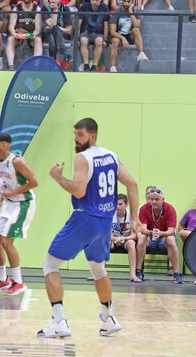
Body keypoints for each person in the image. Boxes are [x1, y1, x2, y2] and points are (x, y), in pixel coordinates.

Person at [37, 118, 139, 338]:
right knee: (98, 269)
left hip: (85, 218)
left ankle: (59, 322)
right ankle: (109, 318)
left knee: (50, 265)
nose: (76, 138)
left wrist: (58, 177)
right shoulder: (111, 155)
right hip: (105, 222)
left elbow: (79, 191)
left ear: (93, 135)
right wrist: (135, 218)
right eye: (75, 134)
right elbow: (132, 184)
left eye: (80, 134)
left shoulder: (82, 158)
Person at [0, 132, 37, 296]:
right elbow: (5, 184)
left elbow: (34, 182)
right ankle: (3, 280)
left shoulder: (17, 161)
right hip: (8, 203)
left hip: (23, 203)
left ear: (4, 145)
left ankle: (19, 282)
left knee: (7, 241)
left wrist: (13, 193)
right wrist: (0, 201)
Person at [135, 186, 181, 283]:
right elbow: (143, 229)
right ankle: (138, 271)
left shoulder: (170, 209)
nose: (154, 202)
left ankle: (177, 273)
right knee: (142, 237)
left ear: (163, 200)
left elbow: (171, 231)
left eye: (157, 199)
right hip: (150, 237)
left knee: (171, 239)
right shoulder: (144, 208)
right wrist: (151, 233)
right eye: (151, 199)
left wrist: (161, 233)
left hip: (163, 238)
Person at [109, 0, 148, 72]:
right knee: (115, 40)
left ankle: (141, 53)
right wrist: (122, 38)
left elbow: (137, 25)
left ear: (132, 1)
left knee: (136, 30)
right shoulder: (117, 12)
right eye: (124, 1)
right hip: (119, 36)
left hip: (131, 35)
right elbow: (112, 32)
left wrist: (131, 13)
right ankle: (113, 67)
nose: (126, 3)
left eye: (128, 1)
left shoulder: (137, 11)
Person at [110, 193, 141, 283]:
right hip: (113, 240)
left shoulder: (132, 215)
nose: (118, 207)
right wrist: (115, 239)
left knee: (132, 243)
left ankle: (133, 275)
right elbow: (105, 234)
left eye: (120, 204)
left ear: (126, 204)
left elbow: (134, 235)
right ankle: (100, 274)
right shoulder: (109, 215)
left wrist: (124, 239)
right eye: (116, 204)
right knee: (103, 242)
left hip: (126, 240)